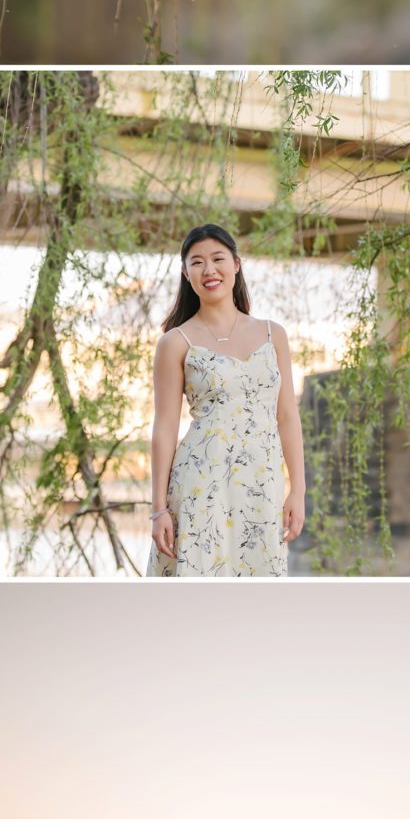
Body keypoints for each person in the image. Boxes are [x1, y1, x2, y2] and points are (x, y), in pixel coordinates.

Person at [147, 224, 305, 577]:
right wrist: (158, 509)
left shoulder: (272, 334)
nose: (209, 270)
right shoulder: (175, 342)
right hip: (200, 482)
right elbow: (165, 427)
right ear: (186, 273)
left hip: (262, 482)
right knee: (199, 587)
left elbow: (287, 417)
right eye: (197, 262)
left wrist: (299, 490)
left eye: (218, 259)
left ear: (236, 264)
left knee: (259, 590)